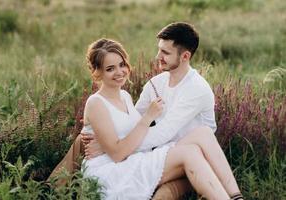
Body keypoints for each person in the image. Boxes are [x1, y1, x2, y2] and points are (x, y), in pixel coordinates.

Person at [49, 22, 244, 200]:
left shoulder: (195, 89)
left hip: (166, 152)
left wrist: (117, 146)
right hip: (133, 161)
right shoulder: (154, 84)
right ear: (97, 72)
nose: (158, 57)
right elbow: (131, 127)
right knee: (178, 171)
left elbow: (153, 131)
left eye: (122, 65)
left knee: (198, 140)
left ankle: (235, 196)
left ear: (185, 56)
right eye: (110, 69)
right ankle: (52, 188)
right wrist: (104, 141)